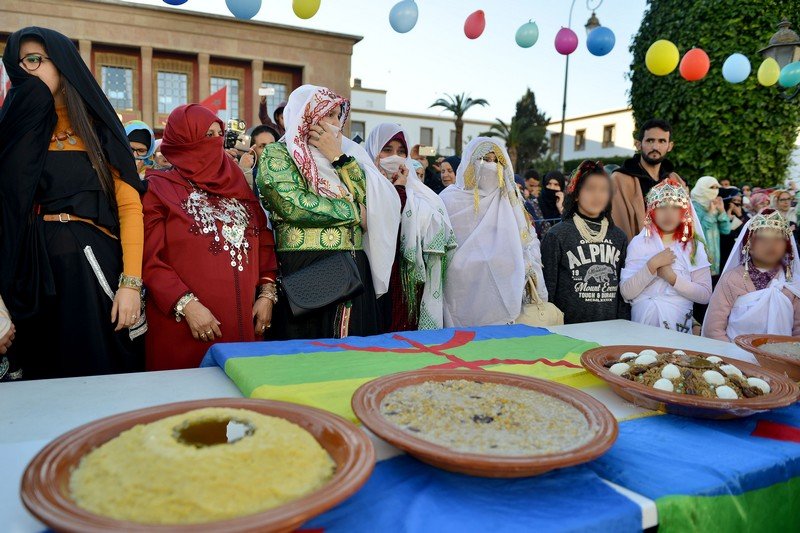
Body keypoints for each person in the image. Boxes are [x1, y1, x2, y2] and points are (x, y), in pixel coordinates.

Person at [0, 27, 146, 379]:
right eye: (19, 63)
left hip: (93, 272)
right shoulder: (10, 131)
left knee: (100, 376)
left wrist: (131, 284)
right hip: (30, 280)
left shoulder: (97, 130)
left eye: (35, 60)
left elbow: (129, 208)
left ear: (62, 63)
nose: (26, 70)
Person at [257, 85, 401, 339]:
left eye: (338, 115)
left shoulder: (350, 155)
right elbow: (292, 204)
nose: (336, 123)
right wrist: (355, 213)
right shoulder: (278, 154)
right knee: (304, 352)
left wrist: (337, 156)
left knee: (352, 353)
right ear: (306, 114)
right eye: (328, 114)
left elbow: (372, 200)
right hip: (303, 267)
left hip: (352, 267)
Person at [142, 104, 279, 370]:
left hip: (243, 329)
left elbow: (263, 239)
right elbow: (150, 259)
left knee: (238, 405)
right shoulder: (158, 189)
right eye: (206, 135)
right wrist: (187, 305)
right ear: (183, 140)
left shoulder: (236, 184)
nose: (215, 142)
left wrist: (267, 294)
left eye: (219, 134)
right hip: (186, 327)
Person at [440, 137, 546, 327]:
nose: (489, 166)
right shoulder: (449, 200)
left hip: (503, 296)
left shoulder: (511, 202)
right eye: (483, 159)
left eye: (496, 161)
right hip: (460, 294)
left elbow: (528, 246)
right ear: (469, 162)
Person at [365, 124, 457, 331]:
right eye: (387, 150)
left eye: (401, 151)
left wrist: (402, 188)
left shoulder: (422, 193)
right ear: (373, 150)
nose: (395, 156)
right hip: (370, 275)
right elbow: (380, 221)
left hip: (406, 281)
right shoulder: (361, 184)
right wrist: (395, 190)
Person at [541, 160, 630, 324]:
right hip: (568, 331)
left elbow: (623, 294)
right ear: (575, 194)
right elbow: (548, 290)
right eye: (590, 189)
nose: (597, 196)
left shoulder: (619, 237)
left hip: (610, 330)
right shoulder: (557, 235)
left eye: (603, 190)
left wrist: (622, 326)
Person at [620, 179, 712, 333]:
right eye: (662, 207)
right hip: (642, 326)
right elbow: (627, 292)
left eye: (675, 207)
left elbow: (705, 295)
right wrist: (651, 266)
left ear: (684, 212)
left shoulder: (694, 247)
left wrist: (672, 278)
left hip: (679, 327)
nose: (669, 213)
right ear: (652, 211)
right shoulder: (638, 243)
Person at [702, 209, 800, 341]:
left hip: (781, 358)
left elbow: (798, 331)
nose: (771, 246)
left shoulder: (792, 283)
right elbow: (714, 329)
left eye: (777, 240)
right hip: (734, 356)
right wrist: (732, 355)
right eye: (763, 240)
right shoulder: (732, 279)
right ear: (749, 247)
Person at [611, 119, 684, 240]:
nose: (655, 147)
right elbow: (618, 225)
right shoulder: (619, 180)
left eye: (662, 141)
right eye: (650, 141)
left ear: (669, 146)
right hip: (636, 253)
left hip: (671, 251)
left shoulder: (675, 180)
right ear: (638, 144)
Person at [691, 176, 731, 276]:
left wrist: (721, 211)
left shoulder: (714, 203)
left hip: (715, 257)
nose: (715, 191)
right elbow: (697, 232)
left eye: (716, 188)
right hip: (698, 257)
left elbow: (726, 230)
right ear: (701, 188)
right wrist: (711, 213)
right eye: (711, 188)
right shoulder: (693, 206)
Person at [239, 124, 278, 192]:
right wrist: (245, 170)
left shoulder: (290, 170)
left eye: (272, 145)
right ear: (253, 151)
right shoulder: (249, 174)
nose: (268, 150)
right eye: (262, 146)